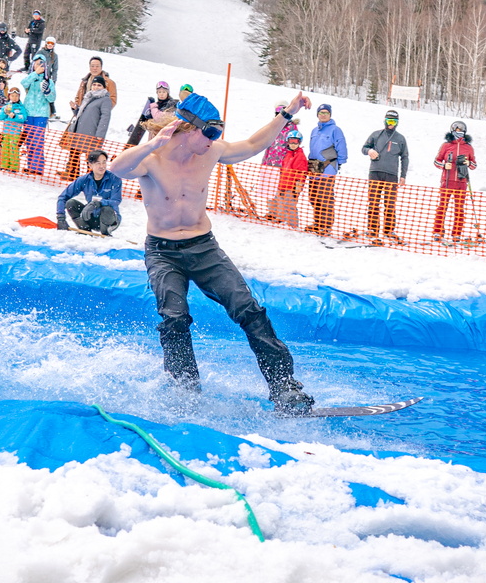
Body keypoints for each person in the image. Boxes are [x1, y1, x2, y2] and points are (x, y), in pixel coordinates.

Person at [109, 91, 317, 414]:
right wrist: (151, 144)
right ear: (188, 128)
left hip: (203, 246)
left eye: (217, 133)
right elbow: (115, 168)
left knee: (248, 308)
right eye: (209, 132)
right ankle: (186, 390)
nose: (214, 140)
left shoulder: (210, 152)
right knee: (174, 317)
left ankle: (284, 385)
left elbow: (252, 145)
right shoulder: (152, 158)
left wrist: (287, 114)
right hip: (163, 252)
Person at [360, 109, 409, 242]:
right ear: (385, 121)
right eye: (389, 121)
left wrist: (403, 175)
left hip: (391, 175)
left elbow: (405, 157)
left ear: (397, 123)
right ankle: (372, 228)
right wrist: (369, 151)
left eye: (393, 121)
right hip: (375, 172)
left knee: (390, 203)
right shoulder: (376, 135)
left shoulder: (400, 139)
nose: (391, 124)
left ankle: (389, 230)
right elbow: (364, 148)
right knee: (374, 201)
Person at [59, 68, 112, 180]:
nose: (96, 87)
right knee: (74, 154)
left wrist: (100, 135)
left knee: (92, 158)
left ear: (103, 87)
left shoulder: (105, 100)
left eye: (99, 85)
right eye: (94, 85)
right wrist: (75, 109)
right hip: (79, 132)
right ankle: (73, 176)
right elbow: (82, 114)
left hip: (92, 134)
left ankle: (93, 179)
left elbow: (105, 117)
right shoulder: (88, 97)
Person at [57, 150, 124, 234]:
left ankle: (106, 232)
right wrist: (61, 218)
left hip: (110, 219)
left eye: (104, 162)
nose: (102, 166)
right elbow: (63, 197)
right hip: (90, 217)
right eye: (98, 163)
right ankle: (85, 230)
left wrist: (98, 203)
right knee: (71, 203)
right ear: (90, 165)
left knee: (107, 209)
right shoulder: (84, 180)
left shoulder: (114, 179)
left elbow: (116, 201)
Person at [306, 104, 348, 236]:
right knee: (313, 197)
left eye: (326, 112)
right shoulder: (314, 130)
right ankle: (318, 223)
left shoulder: (335, 130)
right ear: (317, 114)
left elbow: (342, 147)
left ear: (330, 115)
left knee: (325, 198)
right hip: (313, 167)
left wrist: (337, 164)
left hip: (328, 168)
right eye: (321, 112)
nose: (323, 115)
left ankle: (326, 226)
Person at [432, 120, 477, 242]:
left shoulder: (468, 147)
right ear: (452, 131)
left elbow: (474, 165)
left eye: (461, 131)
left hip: (461, 182)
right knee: (442, 206)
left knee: (459, 208)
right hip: (447, 180)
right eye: (457, 130)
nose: (459, 133)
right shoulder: (446, 145)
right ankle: (438, 231)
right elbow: (436, 161)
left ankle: (456, 233)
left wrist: (468, 163)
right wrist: (444, 165)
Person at [19, 53, 53, 174]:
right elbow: (23, 83)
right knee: (29, 140)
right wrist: (35, 73)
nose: (38, 66)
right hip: (28, 113)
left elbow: (52, 98)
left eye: (41, 63)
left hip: (41, 114)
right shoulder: (31, 78)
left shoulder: (48, 80)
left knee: (38, 140)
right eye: (36, 63)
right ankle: (30, 165)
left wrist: (48, 91)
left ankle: (37, 167)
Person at [267, 129, 308, 227]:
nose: (293, 144)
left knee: (290, 206)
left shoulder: (300, 156)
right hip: (282, 185)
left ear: (299, 142)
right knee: (280, 203)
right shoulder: (286, 154)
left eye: (296, 142)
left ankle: (292, 224)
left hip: (291, 187)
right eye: (291, 142)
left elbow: (301, 172)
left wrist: (298, 185)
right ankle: (282, 220)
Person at [127, 82, 178, 146]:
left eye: (164, 92)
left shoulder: (171, 104)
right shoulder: (158, 104)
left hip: (163, 139)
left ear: (167, 93)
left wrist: (153, 106)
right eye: (159, 92)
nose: (161, 94)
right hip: (154, 137)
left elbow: (158, 118)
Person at [0, 86, 27, 171]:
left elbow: (23, 118)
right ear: (9, 96)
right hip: (6, 132)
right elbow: (0, 117)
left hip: (15, 133)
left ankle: (14, 167)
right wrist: (5, 112)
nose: (14, 98)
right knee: (5, 149)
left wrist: (14, 116)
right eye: (12, 96)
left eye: (16, 96)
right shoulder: (6, 106)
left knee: (14, 149)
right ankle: (4, 165)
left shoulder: (21, 107)